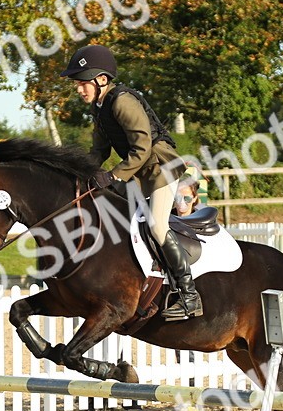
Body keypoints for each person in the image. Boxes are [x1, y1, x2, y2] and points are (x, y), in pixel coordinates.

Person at [60, 44, 203, 320]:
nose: (78, 90)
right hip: (140, 172)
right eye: (76, 85)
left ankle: (189, 295)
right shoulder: (100, 108)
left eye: (81, 83)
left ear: (101, 79)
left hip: (161, 166)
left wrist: (113, 175)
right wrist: (80, 174)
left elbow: (143, 147)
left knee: (157, 225)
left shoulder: (123, 101)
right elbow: (99, 151)